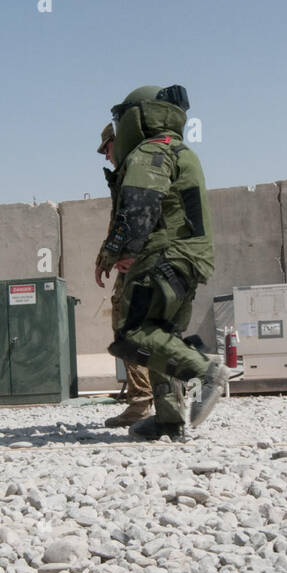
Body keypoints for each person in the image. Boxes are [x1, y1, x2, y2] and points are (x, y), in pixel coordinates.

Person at [95, 84, 228, 440]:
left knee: (133, 335)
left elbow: (140, 205)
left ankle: (204, 372)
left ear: (137, 118)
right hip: (187, 259)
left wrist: (119, 251)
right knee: (161, 336)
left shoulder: (150, 152)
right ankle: (168, 420)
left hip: (165, 257)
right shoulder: (180, 150)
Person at [96, 121, 156, 428]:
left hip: (143, 263)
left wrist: (133, 254)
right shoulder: (142, 166)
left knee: (127, 327)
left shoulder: (134, 170)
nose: (106, 156)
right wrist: (104, 258)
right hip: (148, 260)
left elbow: (133, 218)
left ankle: (142, 401)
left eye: (106, 148)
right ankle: (160, 397)